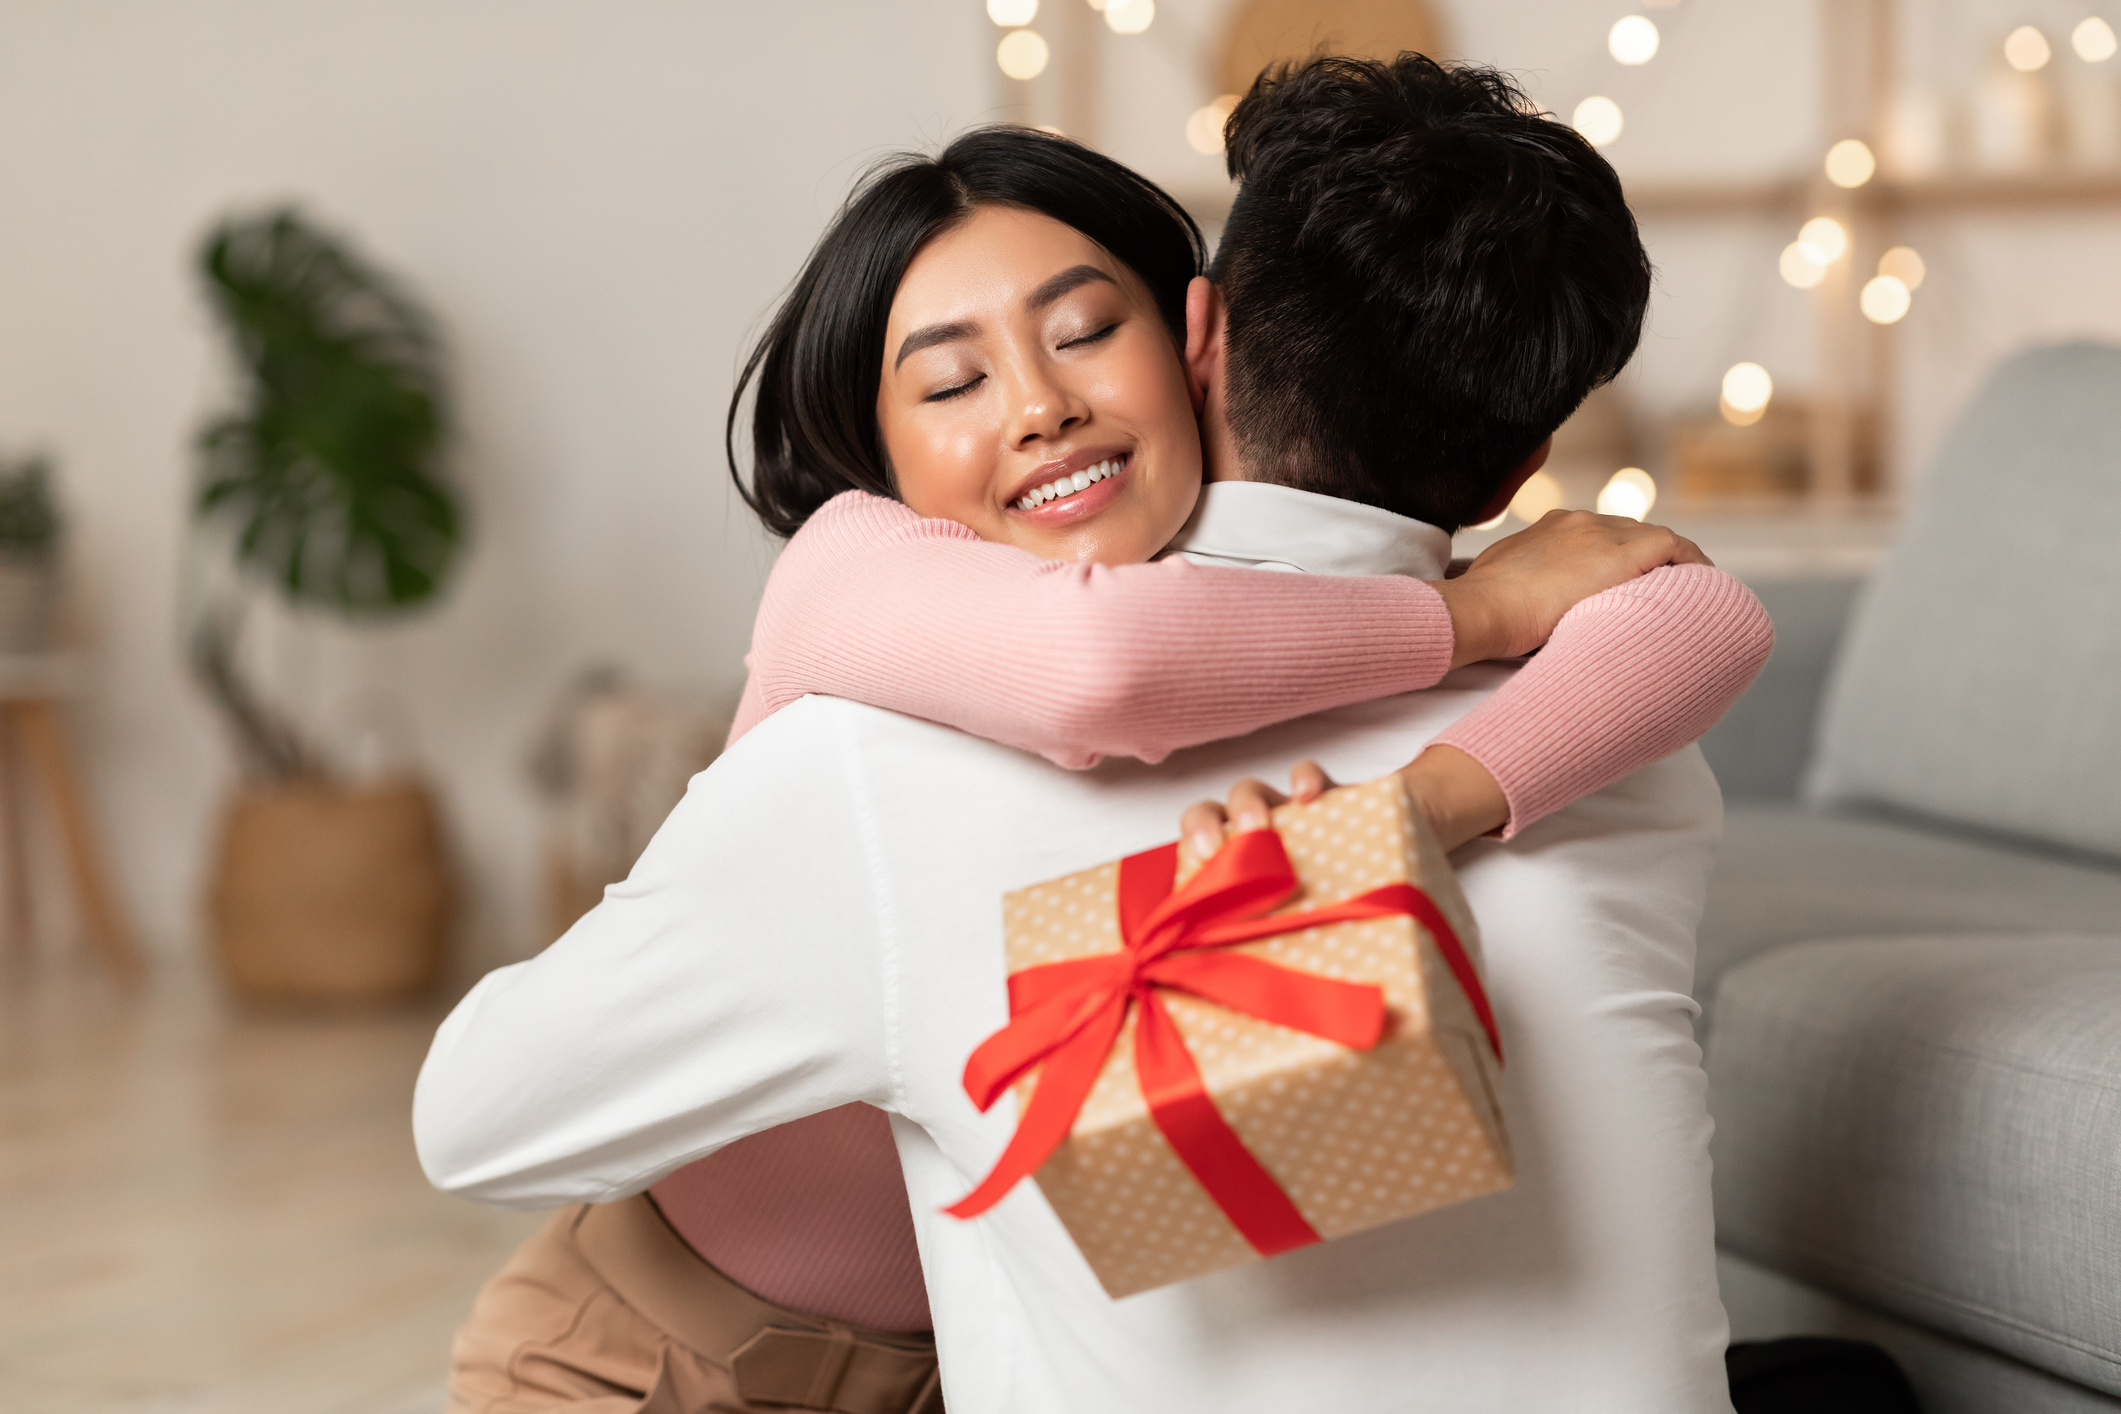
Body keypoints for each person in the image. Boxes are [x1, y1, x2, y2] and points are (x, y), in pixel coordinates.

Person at [422, 56, 1764, 1414]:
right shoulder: (872, 633)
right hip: (657, 1343)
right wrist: (1466, 617)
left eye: (1081, 331)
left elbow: (1702, 611)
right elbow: (1099, 666)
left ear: (1194, 342)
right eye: (947, 383)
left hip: (937, 1359)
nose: (1038, 404)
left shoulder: (1507, 672)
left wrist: (1418, 801)